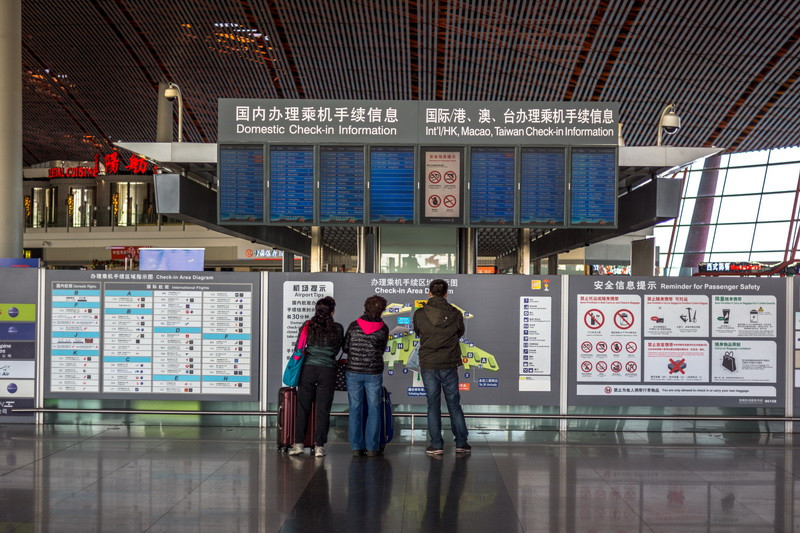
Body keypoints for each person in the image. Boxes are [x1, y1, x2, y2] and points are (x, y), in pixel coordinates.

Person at [412, 279, 470, 455]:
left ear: (430, 293)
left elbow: (418, 331)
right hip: (449, 364)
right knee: (454, 404)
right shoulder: (456, 313)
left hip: (429, 364)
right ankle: (461, 443)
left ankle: (436, 445)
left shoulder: (420, 313)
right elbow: (460, 332)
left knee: (432, 405)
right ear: (446, 293)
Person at [289, 296, 344, 457]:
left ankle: (298, 444)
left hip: (308, 369)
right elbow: (337, 348)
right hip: (327, 370)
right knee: (323, 409)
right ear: (332, 311)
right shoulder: (338, 328)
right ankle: (319, 446)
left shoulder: (308, 325)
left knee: (303, 408)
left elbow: (298, 346)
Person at [343, 295, 389, 457]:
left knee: (355, 409)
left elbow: (346, 347)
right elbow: (382, 349)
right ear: (381, 310)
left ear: (365, 307)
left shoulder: (354, 326)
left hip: (353, 372)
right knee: (374, 409)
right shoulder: (383, 328)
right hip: (373, 373)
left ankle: (356, 447)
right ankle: (372, 447)